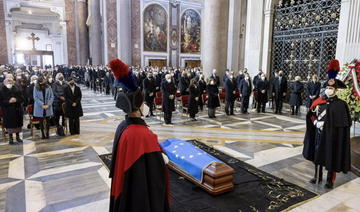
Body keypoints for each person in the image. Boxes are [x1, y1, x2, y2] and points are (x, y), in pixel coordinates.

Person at [108, 58, 170, 212]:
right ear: (138, 108)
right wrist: (161, 158)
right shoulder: (141, 135)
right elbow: (154, 172)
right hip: (138, 194)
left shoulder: (123, 126)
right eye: (144, 105)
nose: (146, 106)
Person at [303, 59, 351, 189]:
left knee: (331, 156)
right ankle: (316, 176)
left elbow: (344, 123)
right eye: (327, 88)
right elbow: (311, 114)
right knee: (317, 154)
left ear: (336, 90)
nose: (328, 90)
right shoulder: (320, 100)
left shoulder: (341, 105)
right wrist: (315, 122)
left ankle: (330, 180)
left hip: (332, 136)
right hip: (319, 133)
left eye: (331, 88)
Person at [0, 78, 24, 144]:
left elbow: (22, 99)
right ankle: (10, 138)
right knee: (10, 125)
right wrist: (8, 101)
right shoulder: (2, 90)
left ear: (13, 83)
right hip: (7, 110)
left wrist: (16, 100)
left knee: (17, 125)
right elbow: (1, 101)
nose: (9, 83)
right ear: (4, 83)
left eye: (10, 82)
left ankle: (18, 137)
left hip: (17, 109)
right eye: (8, 82)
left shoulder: (17, 89)